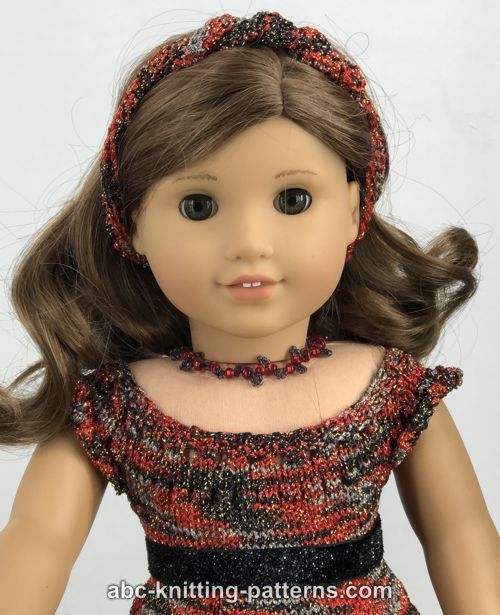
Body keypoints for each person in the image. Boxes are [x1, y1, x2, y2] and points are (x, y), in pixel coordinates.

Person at [0, 11, 498, 614]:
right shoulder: (112, 410)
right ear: (131, 225)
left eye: (294, 199)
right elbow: (35, 543)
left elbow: (461, 534)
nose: (249, 243)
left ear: (353, 209)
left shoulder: (391, 390)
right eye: (198, 205)